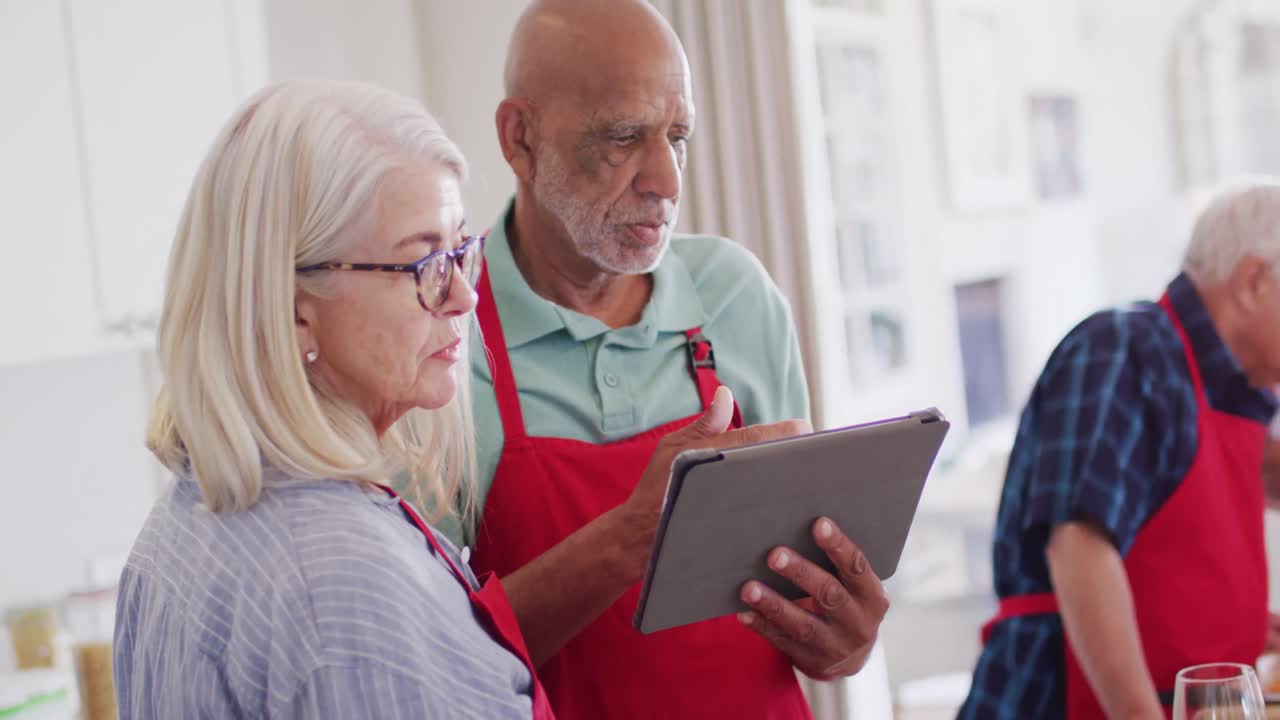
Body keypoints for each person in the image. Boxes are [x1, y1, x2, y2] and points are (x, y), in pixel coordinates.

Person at [113, 78, 803, 719]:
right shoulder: (351, 588)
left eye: (458, 251)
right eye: (422, 264)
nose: (463, 295)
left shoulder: (179, 524)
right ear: (294, 309)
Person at [460, 1, 889, 718]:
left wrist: (845, 637)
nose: (667, 179)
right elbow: (428, 657)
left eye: (678, 135)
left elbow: (816, 612)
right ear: (520, 138)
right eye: (624, 138)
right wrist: (629, 538)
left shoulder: (738, 295)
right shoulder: (441, 334)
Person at [960, 181, 1280, 719]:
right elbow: (1081, 545)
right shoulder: (1126, 348)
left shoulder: (1237, 388)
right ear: (1252, 281)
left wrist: (1234, 620)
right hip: (1058, 699)